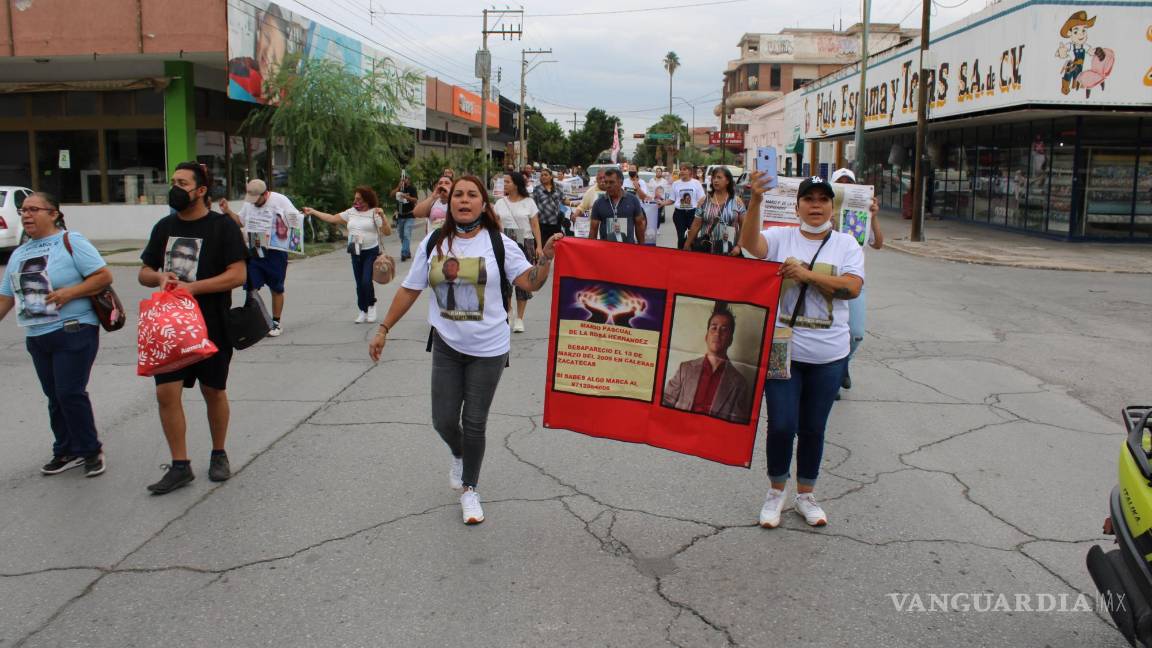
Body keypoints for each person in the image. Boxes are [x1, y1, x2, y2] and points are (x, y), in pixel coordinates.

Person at [368, 175, 562, 525]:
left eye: (472, 195)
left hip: (489, 348)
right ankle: (458, 454)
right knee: (443, 420)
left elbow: (528, 282)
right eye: (458, 194)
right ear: (450, 202)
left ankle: (470, 489)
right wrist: (383, 328)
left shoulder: (500, 244)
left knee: (474, 422)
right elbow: (410, 289)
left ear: (483, 205)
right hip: (447, 345)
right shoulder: (434, 243)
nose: (464, 200)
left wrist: (545, 259)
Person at [739, 173, 864, 528]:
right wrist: (756, 201)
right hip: (784, 352)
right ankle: (775, 493)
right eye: (809, 199)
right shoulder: (782, 237)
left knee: (813, 428)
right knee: (781, 425)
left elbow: (851, 288)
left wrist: (807, 275)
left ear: (831, 206)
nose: (816, 206)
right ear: (797, 206)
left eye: (823, 200)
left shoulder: (846, 245)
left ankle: (806, 495)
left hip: (829, 356)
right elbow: (751, 246)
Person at [140, 162, 248, 494]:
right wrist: (159, 277)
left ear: (201, 190)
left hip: (211, 323)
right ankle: (180, 465)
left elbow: (238, 275)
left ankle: (218, 453)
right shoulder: (164, 227)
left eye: (182, 182)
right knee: (165, 393)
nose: (174, 188)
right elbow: (144, 271)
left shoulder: (222, 227)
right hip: (169, 325)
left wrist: (194, 288)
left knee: (213, 390)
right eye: (172, 181)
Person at [0, 192, 113, 477]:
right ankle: (65, 449)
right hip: (38, 335)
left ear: (53, 214)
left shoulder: (70, 241)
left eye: (33, 209)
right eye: (23, 210)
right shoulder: (19, 253)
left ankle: (90, 450)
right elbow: (5, 298)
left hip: (74, 328)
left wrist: (69, 293)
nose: (26, 215)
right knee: (54, 395)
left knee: (69, 392)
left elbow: (102, 276)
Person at [219, 178, 301, 337]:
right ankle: (255, 321)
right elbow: (240, 222)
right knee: (250, 286)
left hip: (275, 251)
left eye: (257, 199)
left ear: (265, 194)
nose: (254, 203)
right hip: (255, 249)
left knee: (276, 287)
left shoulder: (280, 200)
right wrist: (228, 211)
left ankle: (276, 322)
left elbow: (295, 221)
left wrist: (287, 228)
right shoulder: (249, 203)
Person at [303, 186, 392, 323]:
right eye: (355, 198)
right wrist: (313, 211)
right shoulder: (350, 212)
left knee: (366, 281)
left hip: (370, 251)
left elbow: (387, 232)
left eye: (359, 199)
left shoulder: (374, 213)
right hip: (355, 250)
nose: (356, 201)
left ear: (367, 200)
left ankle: (371, 305)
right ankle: (363, 310)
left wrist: (383, 217)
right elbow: (332, 218)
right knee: (359, 283)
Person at [829, 168, 882, 396]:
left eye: (848, 182)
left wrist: (874, 215)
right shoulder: (824, 212)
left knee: (856, 332)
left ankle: (842, 365)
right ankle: (832, 375)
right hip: (827, 278)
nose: (845, 185)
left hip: (854, 281)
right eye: (839, 183)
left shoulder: (860, 213)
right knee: (830, 329)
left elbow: (878, 243)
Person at [662, 303, 752, 423]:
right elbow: (665, 403)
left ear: (730, 340)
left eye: (724, 330)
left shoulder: (740, 384)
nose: (717, 333)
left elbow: (735, 427)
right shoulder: (685, 369)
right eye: (713, 327)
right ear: (706, 336)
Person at [494, 171, 542, 333]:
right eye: (503, 182)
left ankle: (520, 318)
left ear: (516, 183)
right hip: (505, 244)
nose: (505, 184)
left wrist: (539, 246)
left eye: (507, 181)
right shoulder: (500, 203)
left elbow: (535, 225)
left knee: (523, 280)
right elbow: (496, 224)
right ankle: (508, 310)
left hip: (525, 243)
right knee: (505, 280)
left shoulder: (529, 202)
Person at [683, 167, 747, 256]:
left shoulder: (737, 202)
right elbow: (696, 225)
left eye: (719, 177)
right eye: (714, 178)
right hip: (707, 248)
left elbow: (744, 227)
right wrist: (687, 243)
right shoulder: (704, 201)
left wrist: (739, 246)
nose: (715, 180)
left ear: (727, 181)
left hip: (730, 250)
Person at [589, 168, 646, 244]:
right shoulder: (598, 203)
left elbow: (639, 225)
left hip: (628, 249)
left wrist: (642, 248)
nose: (608, 185)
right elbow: (593, 230)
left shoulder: (633, 200)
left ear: (621, 183)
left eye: (611, 182)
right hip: (606, 250)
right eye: (606, 182)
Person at [671, 164, 707, 249]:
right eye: (681, 169)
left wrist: (700, 206)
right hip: (679, 214)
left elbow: (702, 198)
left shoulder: (696, 183)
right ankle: (680, 257)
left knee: (693, 238)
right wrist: (662, 203)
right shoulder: (675, 184)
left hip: (693, 214)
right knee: (681, 238)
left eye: (684, 169)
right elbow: (672, 200)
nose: (682, 171)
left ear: (690, 171)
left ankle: (693, 257)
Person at [533, 167, 568, 245]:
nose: (543, 177)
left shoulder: (558, 187)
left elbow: (564, 199)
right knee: (543, 246)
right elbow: (533, 205)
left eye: (546, 175)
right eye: (541, 175)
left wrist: (575, 204)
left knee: (556, 247)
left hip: (556, 224)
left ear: (551, 176)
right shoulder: (537, 189)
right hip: (542, 224)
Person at [392, 174, 420, 261]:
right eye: (402, 179)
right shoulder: (399, 188)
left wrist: (406, 197)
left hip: (410, 215)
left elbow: (415, 200)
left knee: (406, 234)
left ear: (409, 180)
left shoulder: (412, 189)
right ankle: (407, 251)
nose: (404, 181)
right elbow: (391, 195)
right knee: (401, 235)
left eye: (406, 179)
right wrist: (398, 187)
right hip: (400, 215)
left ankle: (404, 253)